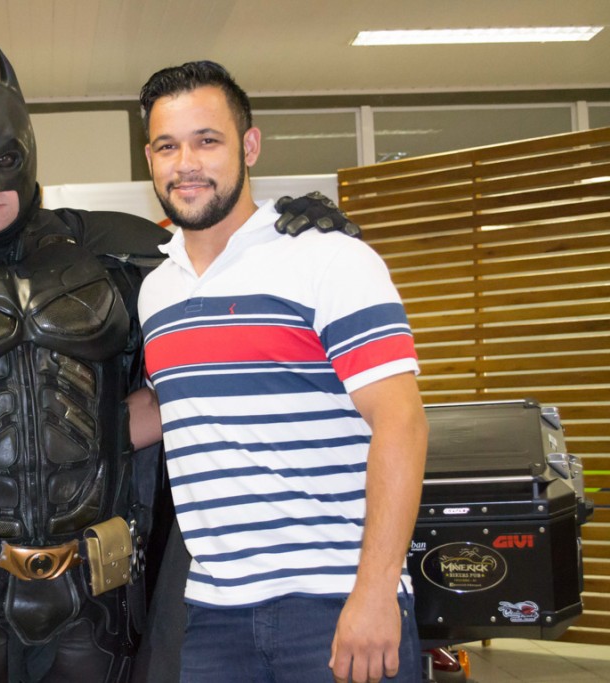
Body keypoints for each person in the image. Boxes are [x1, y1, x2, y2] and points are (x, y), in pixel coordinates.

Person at [0, 49, 355, 683]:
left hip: (94, 601)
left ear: (29, 153)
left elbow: (222, 310)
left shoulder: (109, 255)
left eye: (4, 161)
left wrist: (285, 235)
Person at [135, 61, 429, 683]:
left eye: (207, 141)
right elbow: (173, 411)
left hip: (334, 601)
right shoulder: (156, 292)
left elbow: (401, 422)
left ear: (249, 146)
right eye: (167, 146)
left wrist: (376, 591)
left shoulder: (330, 258)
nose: (186, 163)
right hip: (213, 613)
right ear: (150, 160)